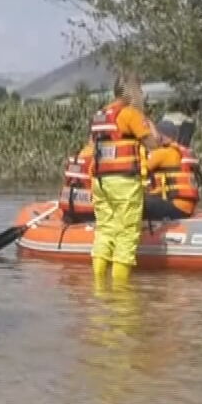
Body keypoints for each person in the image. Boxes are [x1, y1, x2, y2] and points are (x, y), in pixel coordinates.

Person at [87, 73, 163, 284]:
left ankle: (99, 285)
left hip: (101, 182)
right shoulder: (130, 114)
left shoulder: (101, 114)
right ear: (132, 91)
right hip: (124, 183)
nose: (142, 94)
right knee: (127, 234)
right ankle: (121, 293)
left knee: (105, 231)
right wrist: (147, 121)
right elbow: (153, 144)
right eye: (140, 90)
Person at [142, 117, 200, 221]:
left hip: (175, 206)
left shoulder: (163, 153)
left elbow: (137, 171)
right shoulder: (182, 151)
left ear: (161, 136)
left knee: (131, 203)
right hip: (187, 207)